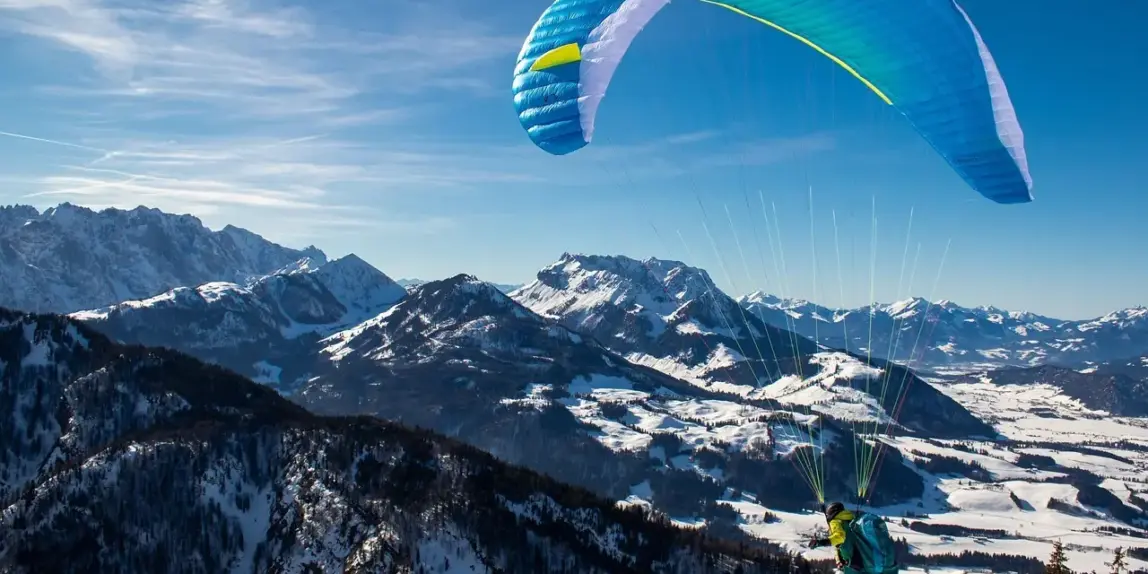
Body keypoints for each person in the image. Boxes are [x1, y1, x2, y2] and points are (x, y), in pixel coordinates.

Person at [807, 502, 865, 573]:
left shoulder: (835, 521)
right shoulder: (852, 520)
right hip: (863, 560)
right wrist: (839, 561)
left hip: (852, 562)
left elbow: (839, 537)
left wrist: (820, 542)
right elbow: (839, 545)